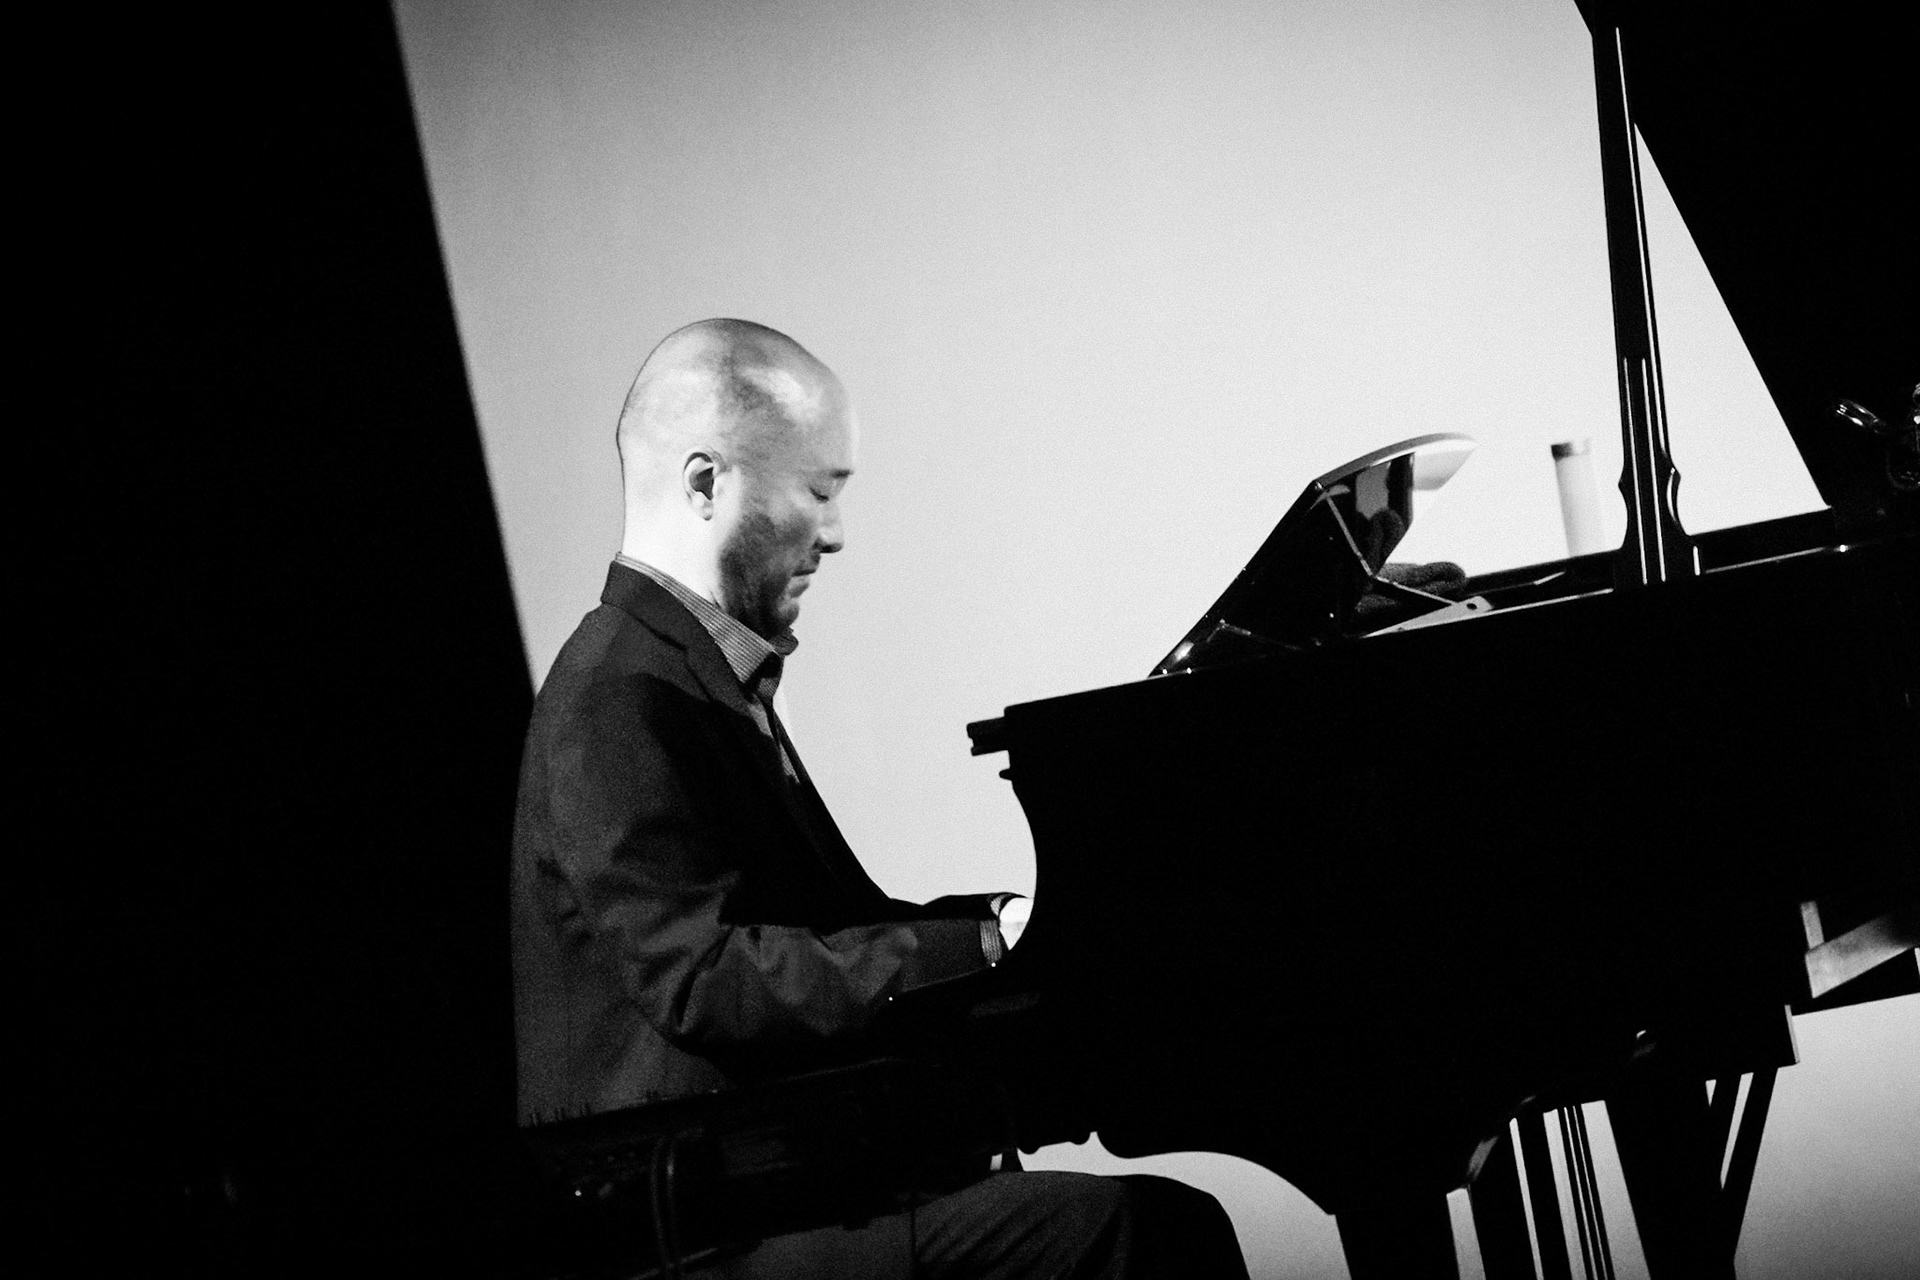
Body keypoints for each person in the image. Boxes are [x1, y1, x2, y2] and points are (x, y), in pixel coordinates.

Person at [510, 318, 1248, 1277]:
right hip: (703, 1233)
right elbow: (701, 980)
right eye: (818, 491)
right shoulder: (619, 689)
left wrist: (995, 931)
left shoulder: (682, 674)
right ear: (704, 484)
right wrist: (981, 944)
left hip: (772, 1190)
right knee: (1140, 1237)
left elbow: (813, 935)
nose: (836, 533)